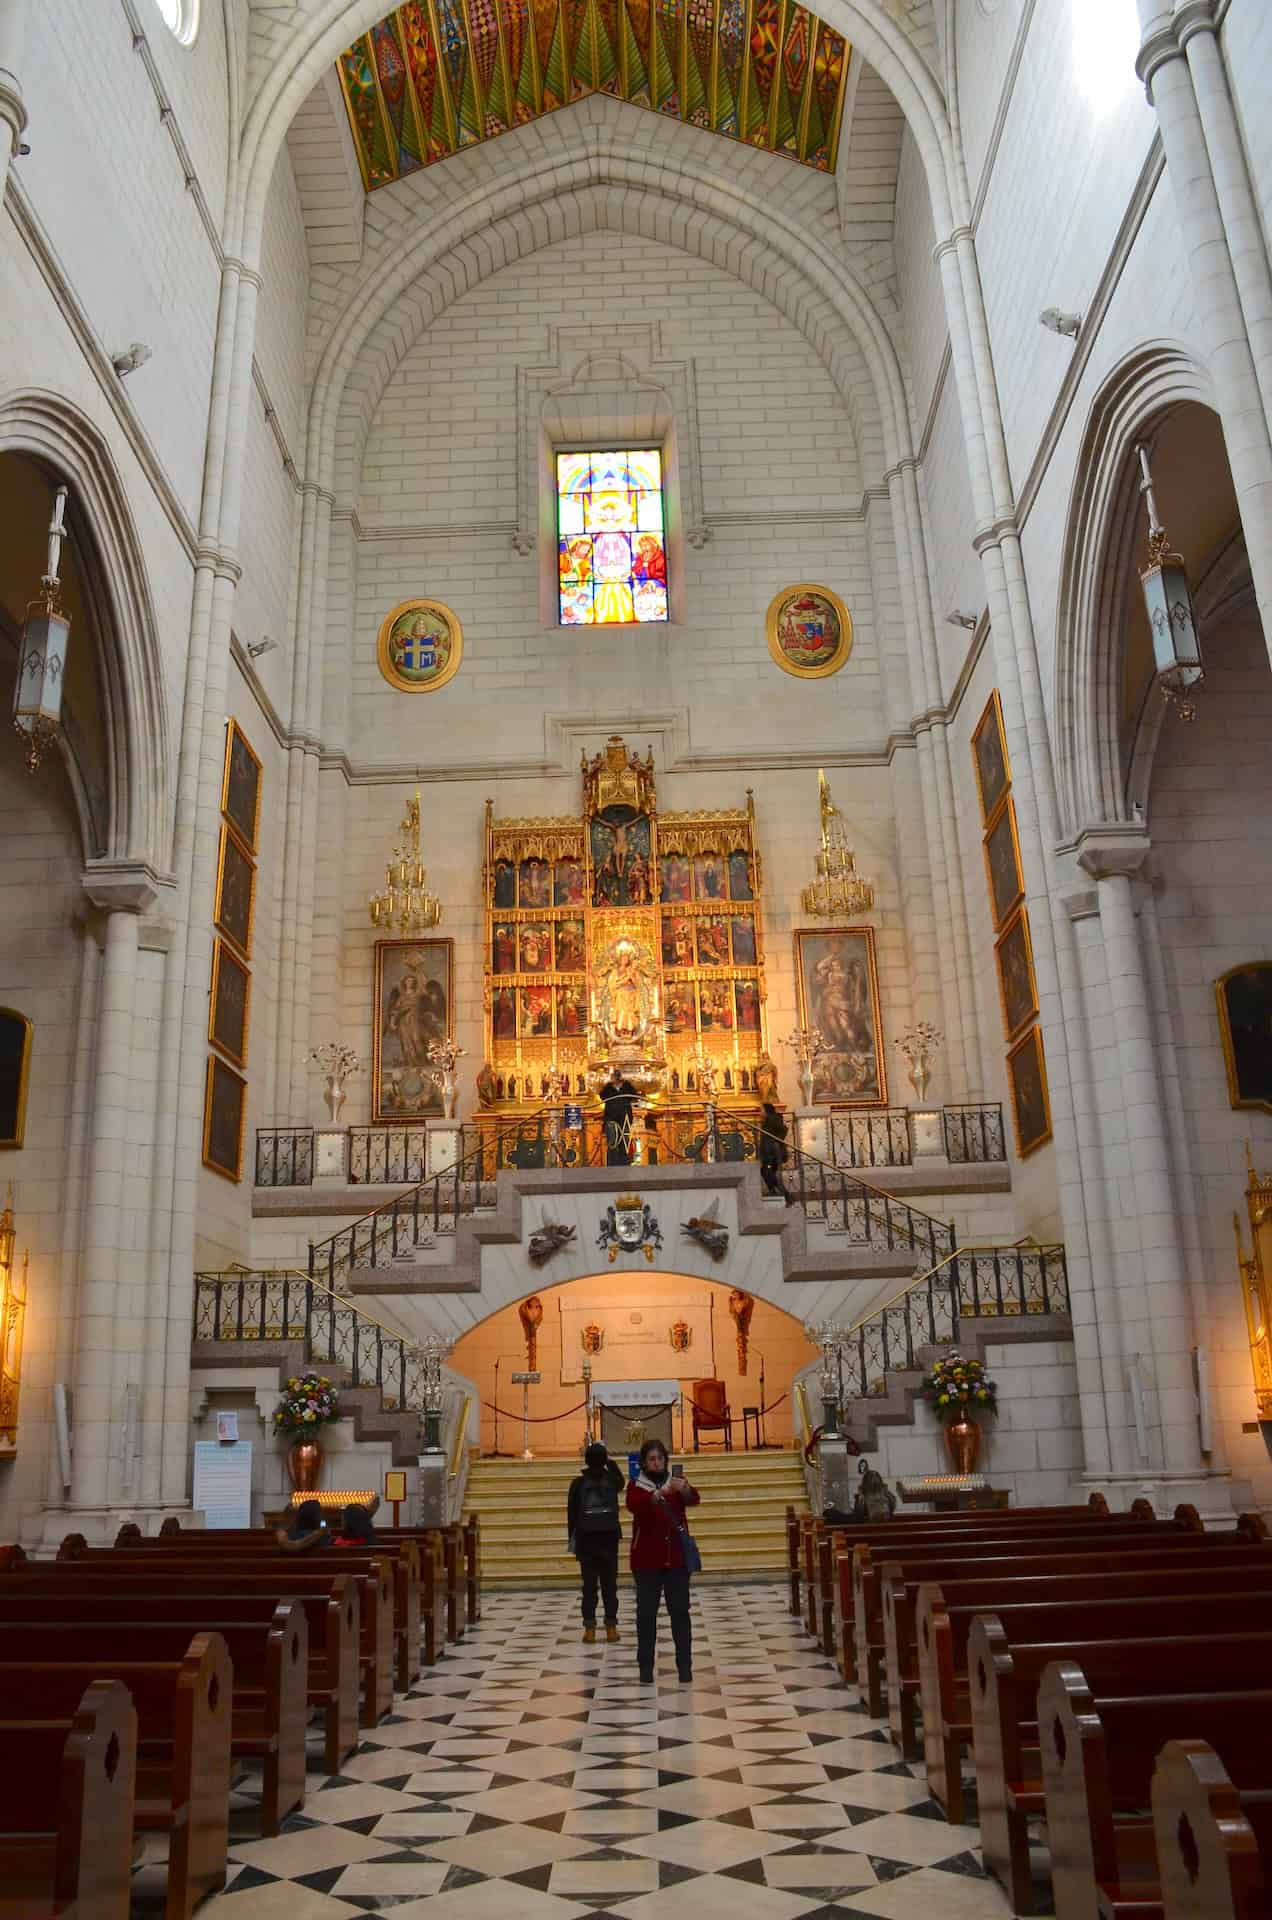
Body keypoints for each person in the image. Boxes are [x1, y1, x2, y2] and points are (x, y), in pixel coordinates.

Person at [626, 1439, 700, 1684]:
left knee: (680, 1614)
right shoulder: (637, 1486)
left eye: (660, 1458)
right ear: (644, 1463)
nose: (656, 1463)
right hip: (646, 1562)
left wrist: (685, 1488)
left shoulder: (675, 1484)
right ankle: (645, 1667)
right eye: (651, 1459)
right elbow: (635, 1505)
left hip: (676, 1561)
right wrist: (659, 1494)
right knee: (646, 1615)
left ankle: (685, 1666)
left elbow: (694, 1499)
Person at [567, 1441, 625, 1643]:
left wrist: (573, 1541)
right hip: (609, 1540)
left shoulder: (577, 1484)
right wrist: (611, 1463)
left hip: (586, 1541)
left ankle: (589, 1629)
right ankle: (611, 1627)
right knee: (610, 1585)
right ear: (604, 1460)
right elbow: (622, 1482)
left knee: (589, 1587)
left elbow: (572, 1515)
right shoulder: (611, 1480)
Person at [759, 1101, 795, 1204]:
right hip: (769, 1153)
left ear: (766, 1110)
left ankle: (785, 1197)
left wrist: (776, 1141)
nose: (760, 1112)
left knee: (770, 1174)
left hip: (773, 1153)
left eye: (761, 1110)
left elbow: (783, 1130)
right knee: (766, 1172)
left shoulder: (773, 1118)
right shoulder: (767, 1120)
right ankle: (775, 1192)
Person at [600, 1071, 638, 1165]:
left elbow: (634, 1095)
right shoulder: (608, 1087)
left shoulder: (627, 1086)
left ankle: (624, 1163)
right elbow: (602, 1096)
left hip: (624, 1116)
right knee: (612, 1141)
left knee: (624, 1141)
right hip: (611, 1117)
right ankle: (612, 1163)